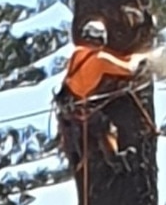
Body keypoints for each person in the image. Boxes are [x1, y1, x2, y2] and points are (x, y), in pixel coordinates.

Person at [55, 20, 147, 172]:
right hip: (83, 106)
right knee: (105, 128)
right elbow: (129, 70)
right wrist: (139, 59)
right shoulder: (101, 59)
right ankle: (115, 160)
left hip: (68, 104)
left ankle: (76, 157)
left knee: (82, 131)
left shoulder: (77, 54)